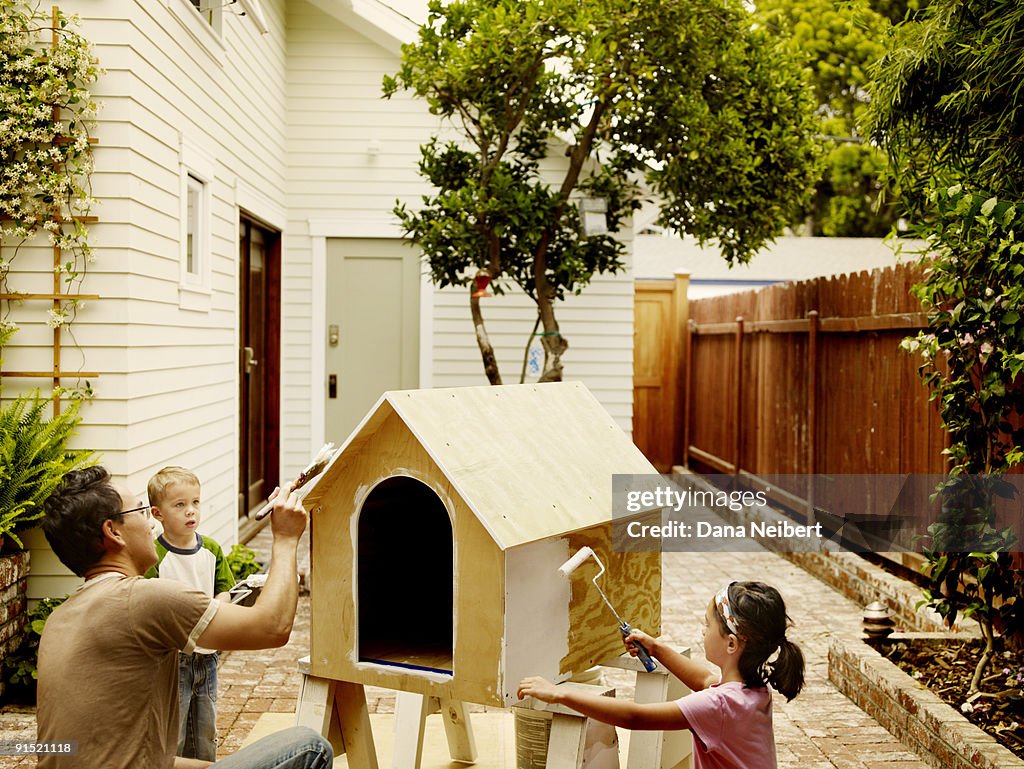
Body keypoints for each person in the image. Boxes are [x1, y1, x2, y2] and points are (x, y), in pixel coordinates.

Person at [35, 465, 332, 769]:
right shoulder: (143, 598)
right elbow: (272, 627)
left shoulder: (59, 620)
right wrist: (285, 538)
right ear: (113, 532)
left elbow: (130, 756)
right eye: (141, 511)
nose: (150, 522)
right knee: (309, 747)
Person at [517, 581, 804, 769]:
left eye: (707, 626)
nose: (702, 632)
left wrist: (561, 694)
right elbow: (704, 681)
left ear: (731, 643)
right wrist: (655, 648)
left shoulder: (718, 706)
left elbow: (635, 717)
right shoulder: (752, 689)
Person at [144, 466, 236, 761]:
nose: (190, 511)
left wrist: (218, 615)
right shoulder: (155, 556)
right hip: (174, 658)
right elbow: (149, 604)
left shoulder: (210, 549)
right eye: (179, 505)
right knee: (176, 727)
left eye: (195, 502)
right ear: (157, 514)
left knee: (205, 726)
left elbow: (224, 590)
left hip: (207, 657)